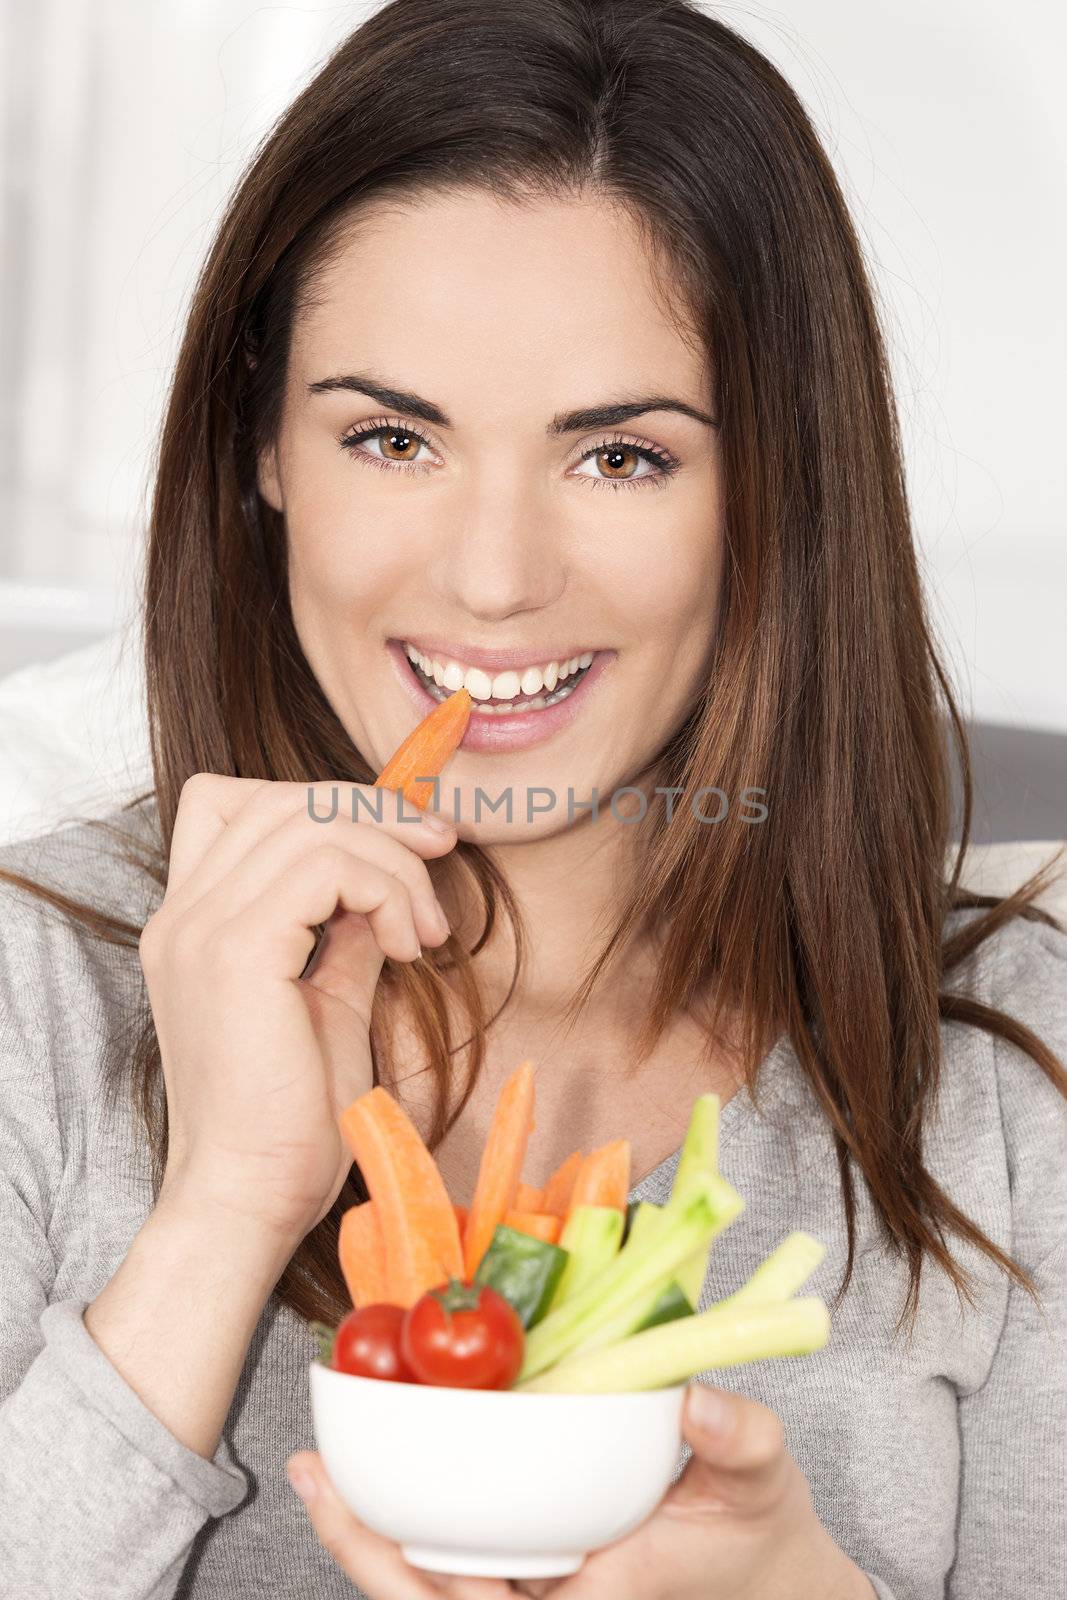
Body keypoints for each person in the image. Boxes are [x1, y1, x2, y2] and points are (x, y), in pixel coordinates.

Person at [1, 1, 1064, 1596]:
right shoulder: (34, 994)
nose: (494, 580)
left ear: (775, 490)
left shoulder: (1012, 1070)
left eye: (620, 457)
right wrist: (225, 1207)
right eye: (391, 437)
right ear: (263, 450)